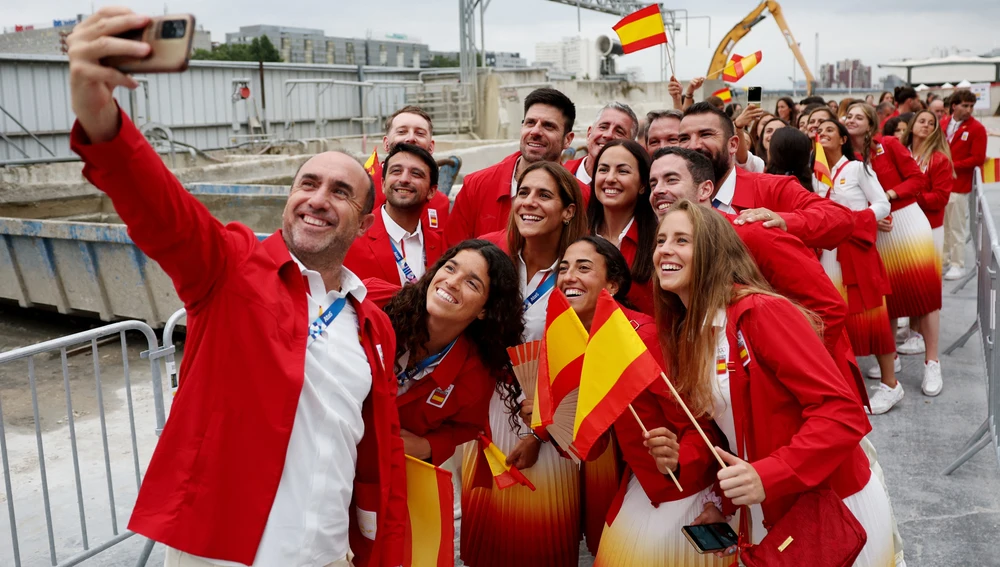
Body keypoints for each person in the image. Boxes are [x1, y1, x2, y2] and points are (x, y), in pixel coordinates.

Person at [65, 9, 405, 567]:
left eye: (341, 192)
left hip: (327, 555)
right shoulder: (232, 269)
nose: (318, 198)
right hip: (222, 553)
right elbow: (164, 213)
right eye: (308, 183)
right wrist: (101, 118)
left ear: (366, 222)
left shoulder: (371, 325)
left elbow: (376, 454)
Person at [652, 200, 894, 567]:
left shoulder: (762, 313)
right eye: (660, 240)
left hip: (828, 510)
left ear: (714, 252)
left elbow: (842, 413)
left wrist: (767, 475)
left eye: (682, 240)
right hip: (770, 510)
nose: (665, 249)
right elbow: (734, 435)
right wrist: (727, 505)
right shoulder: (689, 333)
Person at [649, 147, 869, 410]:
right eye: (653, 183)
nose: (658, 190)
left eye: (671, 180)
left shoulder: (754, 233)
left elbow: (828, 310)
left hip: (800, 401)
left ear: (705, 190)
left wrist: (772, 381)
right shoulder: (666, 254)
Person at [557, 236, 726, 567]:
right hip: (641, 484)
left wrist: (677, 460)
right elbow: (592, 445)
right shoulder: (576, 342)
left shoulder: (643, 338)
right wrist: (557, 418)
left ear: (613, 285)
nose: (568, 276)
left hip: (684, 490)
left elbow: (703, 427)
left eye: (584, 267)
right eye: (563, 268)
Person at [460, 161, 587, 567]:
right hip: (484, 420)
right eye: (525, 192)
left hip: (550, 429)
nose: (529, 203)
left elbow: (587, 364)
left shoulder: (579, 273)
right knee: (484, 539)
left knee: (540, 540)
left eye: (544, 195)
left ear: (568, 210)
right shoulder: (491, 262)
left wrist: (540, 435)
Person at [372, 240, 525, 465]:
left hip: (381, 474)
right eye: (450, 268)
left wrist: (428, 446)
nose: (452, 282)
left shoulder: (476, 375)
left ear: (484, 310)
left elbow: (466, 427)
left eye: (472, 283)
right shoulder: (373, 301)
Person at [845, 102, 942, 397]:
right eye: (848, 115)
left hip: (908, 221)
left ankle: (932, 361)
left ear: (872, 123)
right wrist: (873, 216)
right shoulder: (846, 156)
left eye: (859, 116)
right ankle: (893, 357)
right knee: (886, 298)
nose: (852, 119)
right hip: (877, 231)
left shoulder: (887, 145)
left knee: (924, 296)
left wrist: (887, 195)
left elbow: (917, 180)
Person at [678, 102, 854, 251]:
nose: (693, 145)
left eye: (706, 134)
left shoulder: (770, 188)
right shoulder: (670, 195)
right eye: (684, 138)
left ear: (732, 145)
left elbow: (840, 219)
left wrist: (783, 221)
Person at [814, 118, 900, 414]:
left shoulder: (857, 168)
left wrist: (857, 219)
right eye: (818, 130)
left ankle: (891, 384)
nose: (822, 133)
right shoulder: (817, 173)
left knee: (873, 315)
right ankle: (843, 386)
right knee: (836, 317)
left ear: (842, 139)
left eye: (829, 130)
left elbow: (882, 204)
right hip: (828, 254)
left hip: (857, 251)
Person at [446, 87, 587, 246]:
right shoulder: (476, 186)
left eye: (548, 126)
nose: (535, 131)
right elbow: (452, 254)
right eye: (530, 123)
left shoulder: (581, 196)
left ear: (568, 140)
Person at [895, 109, 954, 389]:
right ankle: (897, 347)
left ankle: (932, 363)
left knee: (928, 292)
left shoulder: (939, 159)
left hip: (929, 228)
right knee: (899, 284)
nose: (926, 125)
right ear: (911, 125)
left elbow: (940, 197)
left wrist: (910, 194)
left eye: (932, 123)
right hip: (899, 228)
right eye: (922, 121)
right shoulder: (899, 153)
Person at [345, 143, 445, 285]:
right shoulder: (350, 236)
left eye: (416, 174)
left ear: (432, 191)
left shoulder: (440, 245)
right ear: (383, 184)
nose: (404, 179)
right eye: (396, 171)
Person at [588, 139, 658, 314]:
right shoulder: (577, 233)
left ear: (643, 184)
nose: (610, 178)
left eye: (623, 171)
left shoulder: (659, 241)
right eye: (603, 169)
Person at [376, 105, 451, 231]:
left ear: (431, 146)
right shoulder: (362, 191)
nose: (410, 138)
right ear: (386, 143)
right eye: (401, 132)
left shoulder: (440, 203)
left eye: (420, 133)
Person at [940, 89, 987, 280]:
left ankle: (957, 263)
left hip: (959, 184)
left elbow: (977, 158)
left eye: (971, 106)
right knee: (942, 225)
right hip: (940, 184)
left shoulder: (977, 129)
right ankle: (943, 259)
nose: (969, 110)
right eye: (965, 105)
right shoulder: (943, 123)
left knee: (957, 227)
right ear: (954, 106)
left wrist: (950, 165)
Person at [565, 102, 639, 185]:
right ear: (589, 133)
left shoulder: (634, 190)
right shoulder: (560, 176)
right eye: (603, 127)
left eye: (619, 132)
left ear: (632, 145)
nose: (608, 135)